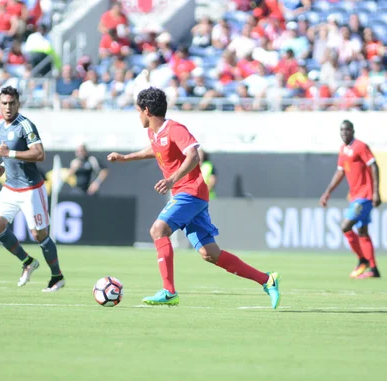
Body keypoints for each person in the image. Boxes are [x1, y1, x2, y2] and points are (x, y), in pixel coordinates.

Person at [107, 87, 280, 308]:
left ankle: (169, 291)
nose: (137, 115)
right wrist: (125, 157)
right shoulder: (154, 133)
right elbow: (156, 149)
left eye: (138, 111)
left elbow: (194, 155)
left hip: (190, 191)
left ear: (147, 110)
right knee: (210, 254)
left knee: (158, 230)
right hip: (188, 194)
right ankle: (267, 280)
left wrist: (172, 179)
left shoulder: (175, 129)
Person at [0, 86, 65, 292]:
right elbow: (9, 154)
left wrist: (10, 154)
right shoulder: (0, 127)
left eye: (12, 103)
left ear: (18, 104)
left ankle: (57, 276)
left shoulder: (25, 125)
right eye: (4, 103)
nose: (7, 107)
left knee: (39, 235)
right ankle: (27, 262)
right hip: (10, 187)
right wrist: (2, 166)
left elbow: (39, 154)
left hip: (31, 188)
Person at [320, 120, 382, 279]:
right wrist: (327, 192)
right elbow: (340, 172)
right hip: (354, 196)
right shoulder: (343, 150)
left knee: (345, 226)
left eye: (347, 130)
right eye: (341, 130)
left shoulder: (360, 146)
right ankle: (373, 269)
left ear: (353, 131)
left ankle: (362, 260)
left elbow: (374, 166)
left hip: (364, 196)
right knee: (362, 231)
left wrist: (376, 192)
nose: (344, 133)